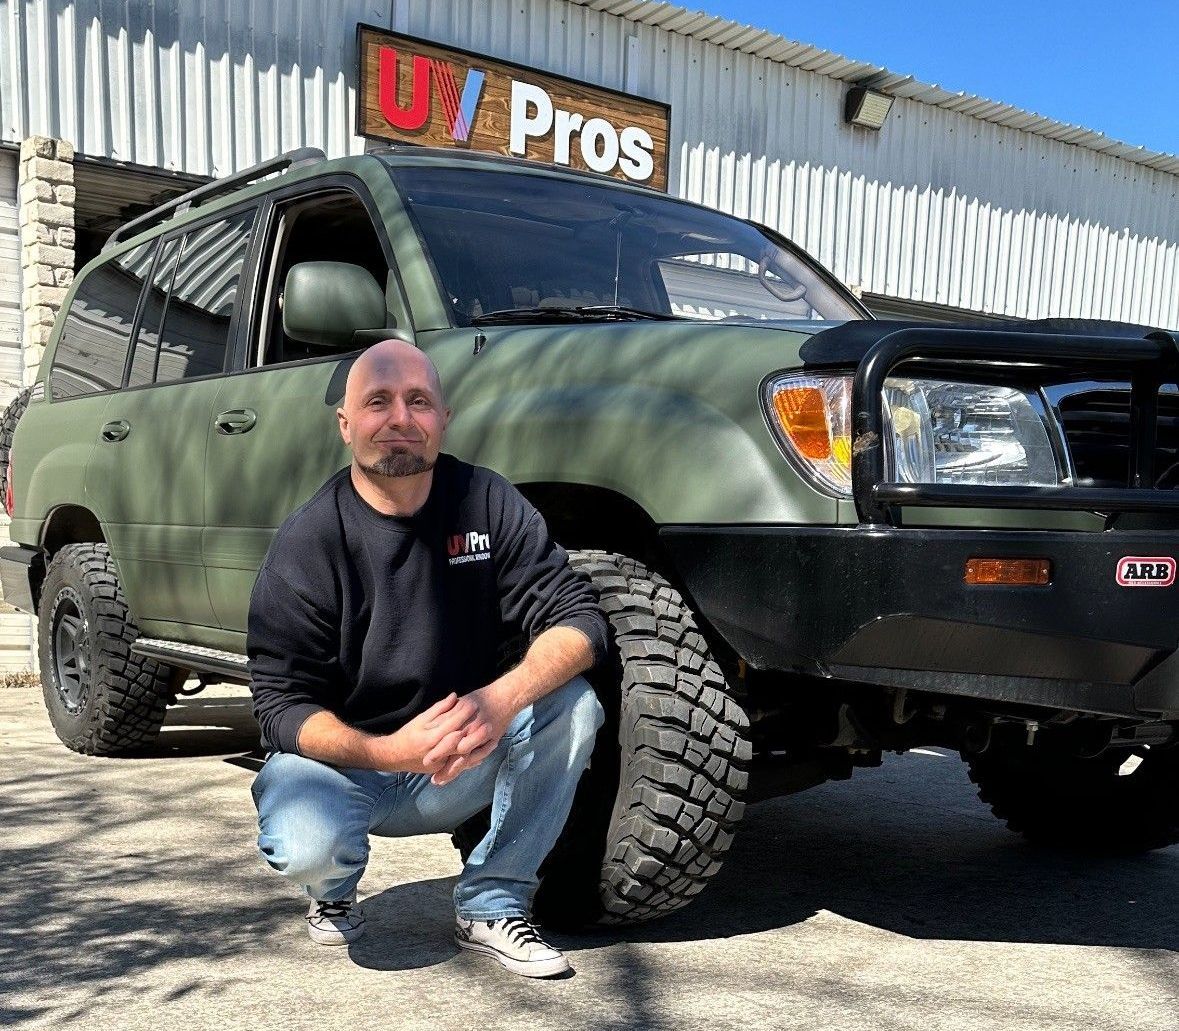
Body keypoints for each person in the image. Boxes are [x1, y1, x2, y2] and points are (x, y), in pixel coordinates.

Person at [247, 338, 608, 979]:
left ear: (443, 418)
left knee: (573, 705)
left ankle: (492, 903)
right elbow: (278, 705)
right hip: (348, 767)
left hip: (458, 757)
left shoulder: (486, 503)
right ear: (346, 424)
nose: (400, 418)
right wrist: (390, 752)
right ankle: (330, 890)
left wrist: (498, 701)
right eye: (377, 401)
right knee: (307, 838)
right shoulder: (309, 541)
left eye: (419, 401)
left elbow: (579, 622)